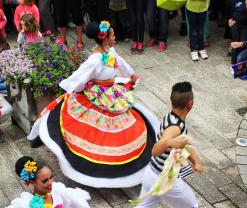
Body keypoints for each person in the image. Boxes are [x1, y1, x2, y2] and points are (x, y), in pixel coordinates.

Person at [27, 21, 158, 188]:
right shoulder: (95, 60)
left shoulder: (110, 51)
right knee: (100, 131)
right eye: (112, 35)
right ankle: (102, 166)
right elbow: (80, 77)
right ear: (104, 38)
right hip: (99, 95)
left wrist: (132, 75)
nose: (114, 36)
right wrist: (73, 90)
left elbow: (121, 63)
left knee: (127, 124)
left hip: (111, 93)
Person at [110, 81, 203, 208]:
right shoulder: (175, 127)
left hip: (151, 174)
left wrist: (195, 161)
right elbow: (156, 150)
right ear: (190, 103)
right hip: (165, 180)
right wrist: (168, 142)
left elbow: (183, 143)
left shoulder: (171, 118)